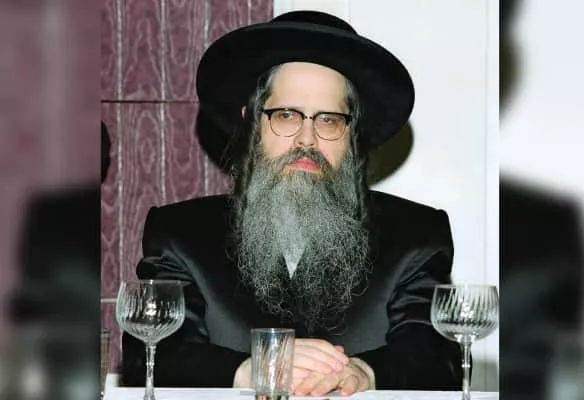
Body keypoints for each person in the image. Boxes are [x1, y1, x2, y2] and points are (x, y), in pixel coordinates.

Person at [122, 10, 462, 396]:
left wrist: (365, 373)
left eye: (329, 120)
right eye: (286, 115)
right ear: (251, 122)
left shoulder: (416, 235)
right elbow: (148, 354)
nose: (307, 139)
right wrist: (253, 368)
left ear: (352, 135)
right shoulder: (180, 233)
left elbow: (437, 358)